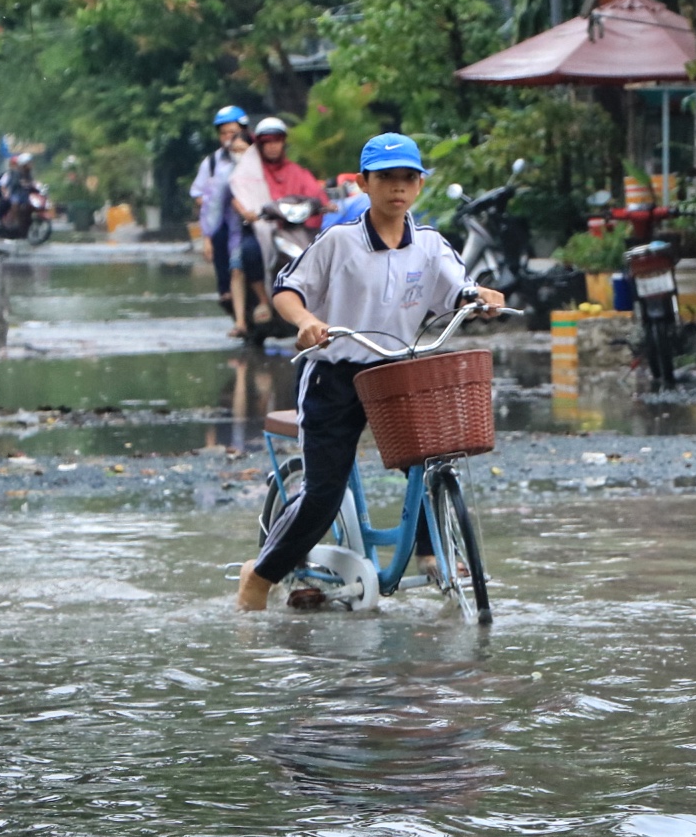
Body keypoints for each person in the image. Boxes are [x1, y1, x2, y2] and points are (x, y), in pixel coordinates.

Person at [236, 132, 505, 611]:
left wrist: (479, 298)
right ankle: (259, 577)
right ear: (364, 183)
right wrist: (307, 321)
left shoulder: (429, 245)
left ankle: (428, 553)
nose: (396, 188)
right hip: (332, 376)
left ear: (419, 185)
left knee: (427, 460)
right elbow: (286, 288)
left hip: (394, 373)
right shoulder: (339, 241)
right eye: (385, 178)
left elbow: (459, 289)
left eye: (406, 178)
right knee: (323, 494)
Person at [230, 117, 330, 327]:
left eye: (277, 140)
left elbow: (314, 192)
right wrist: (247, 212)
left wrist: (326, 203)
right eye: (267, 141)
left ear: (283, 142)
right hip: (262, 229)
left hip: (295, 229)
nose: (273, 146)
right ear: (260, 144)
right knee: (250, 251)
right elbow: (238, 195)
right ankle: (264, 301)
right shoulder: (251, 173)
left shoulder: (297, 171)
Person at [190, 105, 251, 337]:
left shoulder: (259, 158)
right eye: (224, 133)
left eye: (233, 132)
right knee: (222, 242)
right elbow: (199, 194)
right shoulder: (214, 163)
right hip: (225, 221)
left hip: (256, 219)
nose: (229, 138)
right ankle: (229, 298)